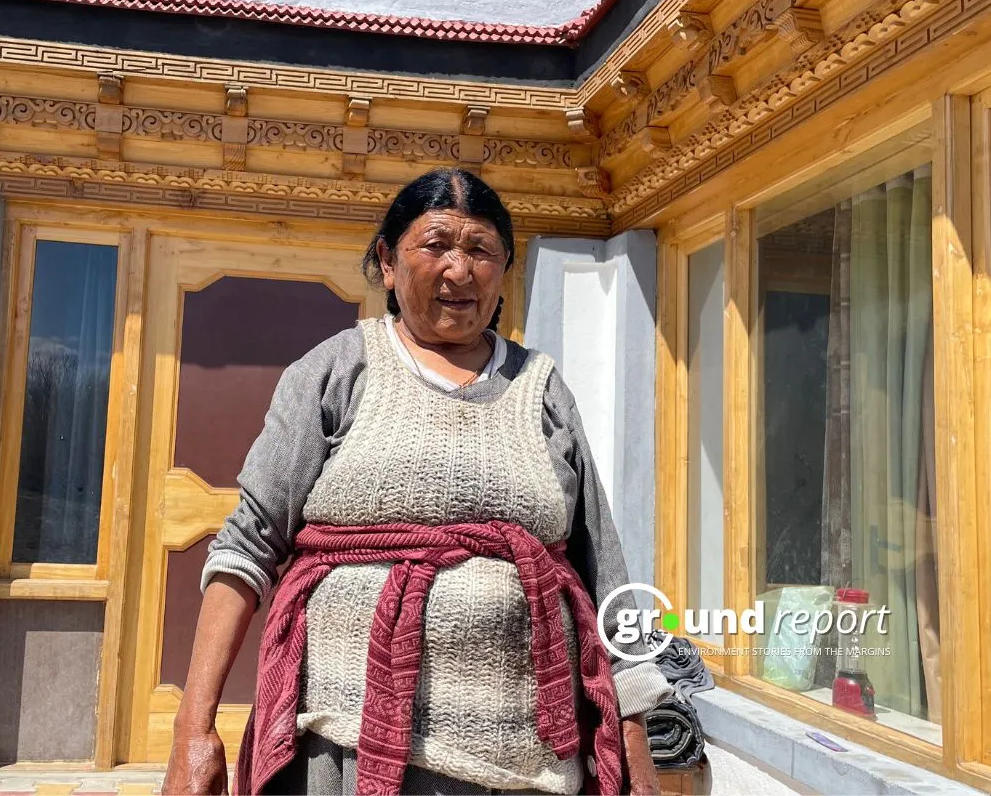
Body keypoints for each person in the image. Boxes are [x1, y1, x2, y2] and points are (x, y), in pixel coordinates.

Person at [161, 168, 672, 796]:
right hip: (343, 748)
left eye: (481, 250)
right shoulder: (337, 370)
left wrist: (636, 739)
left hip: (526, 760)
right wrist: (193, 727)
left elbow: (606, 574)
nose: (460, 270)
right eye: (436, 246)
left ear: (504, 268)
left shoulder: (542, 389)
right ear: (386, 261)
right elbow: (248, 546)